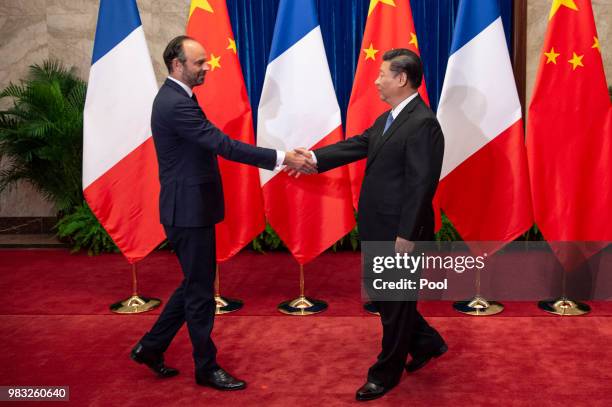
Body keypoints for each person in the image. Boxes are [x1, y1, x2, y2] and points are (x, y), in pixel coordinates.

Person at [130, 35, 315, 391]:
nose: (206, 68)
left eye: (205, 61)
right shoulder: (173, 103)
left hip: (191, 208)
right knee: (200, 292)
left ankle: (150, 347)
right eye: (199, 63)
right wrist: (282, 158)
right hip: (187, 211)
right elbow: (222, 145)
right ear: (176, 65)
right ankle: (206, 368)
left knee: (193, 284)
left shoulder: (180, 97)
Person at [292, 48, 447, 401]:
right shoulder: (389, 118)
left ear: (401, 78)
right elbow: (358, 144)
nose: (376, 81)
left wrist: (406, 234)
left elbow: (421, 184)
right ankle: (428, 343)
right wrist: (313, 158)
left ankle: (384, 374)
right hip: (379, 226)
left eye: (381, 75)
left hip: (400, 233)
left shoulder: (423, 123)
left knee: (393, 305)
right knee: (389, 297)